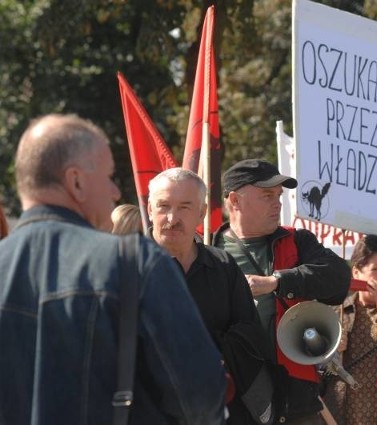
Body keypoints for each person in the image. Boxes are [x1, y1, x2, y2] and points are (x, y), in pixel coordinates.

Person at [0, 114, 226, 425]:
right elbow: (200, 398)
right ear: (76, 181)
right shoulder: (133, 262)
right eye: (109, 177)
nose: (116, 192)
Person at [212, 158, 351, 424]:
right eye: (267, 196)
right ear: (235, 200)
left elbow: (338, 280)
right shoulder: (208, 251)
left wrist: (277, 281)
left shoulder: (298, 240)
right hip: (234, 398)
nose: (278, 203)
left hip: (295, 397)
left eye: (279, 196)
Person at [147, 167, 271, 425]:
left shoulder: (223, 266)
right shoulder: (128, 267)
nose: (172, 217)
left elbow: (250, 334)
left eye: (184, 207)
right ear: (149, 210)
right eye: (163, 206)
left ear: (201, 213)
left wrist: (214, 353)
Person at [323, 234, 377, 425]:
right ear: (356, 272)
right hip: (339, 413)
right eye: (375, 270)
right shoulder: (336, 311)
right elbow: (316, 368)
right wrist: (331, 351)